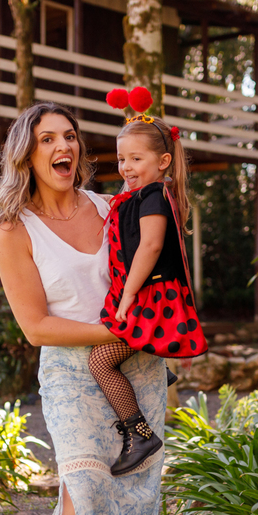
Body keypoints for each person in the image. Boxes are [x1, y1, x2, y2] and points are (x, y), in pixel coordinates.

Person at [0, 102, 167, 515]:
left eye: (69, 136)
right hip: (70, 372)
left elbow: (157, 258)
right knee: (83, 490)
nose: (62, 146)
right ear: (28, 154)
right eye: (48, 139)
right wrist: (120, 331)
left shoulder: (111, 205)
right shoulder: (13, 229)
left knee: (130, 499)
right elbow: (37, 327)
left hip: (136, 367)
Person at [89, 90, 207, 476]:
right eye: (122, 159)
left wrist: (126, 298)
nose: (126, 166)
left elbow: (151, 246)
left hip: (150, 295)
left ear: (163, 161)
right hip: (146, 295)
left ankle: (139, 433)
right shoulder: (138, 194)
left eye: (136, 159)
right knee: (106, 345)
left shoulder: (155, 195)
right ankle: (156, 365)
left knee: (100, 361)